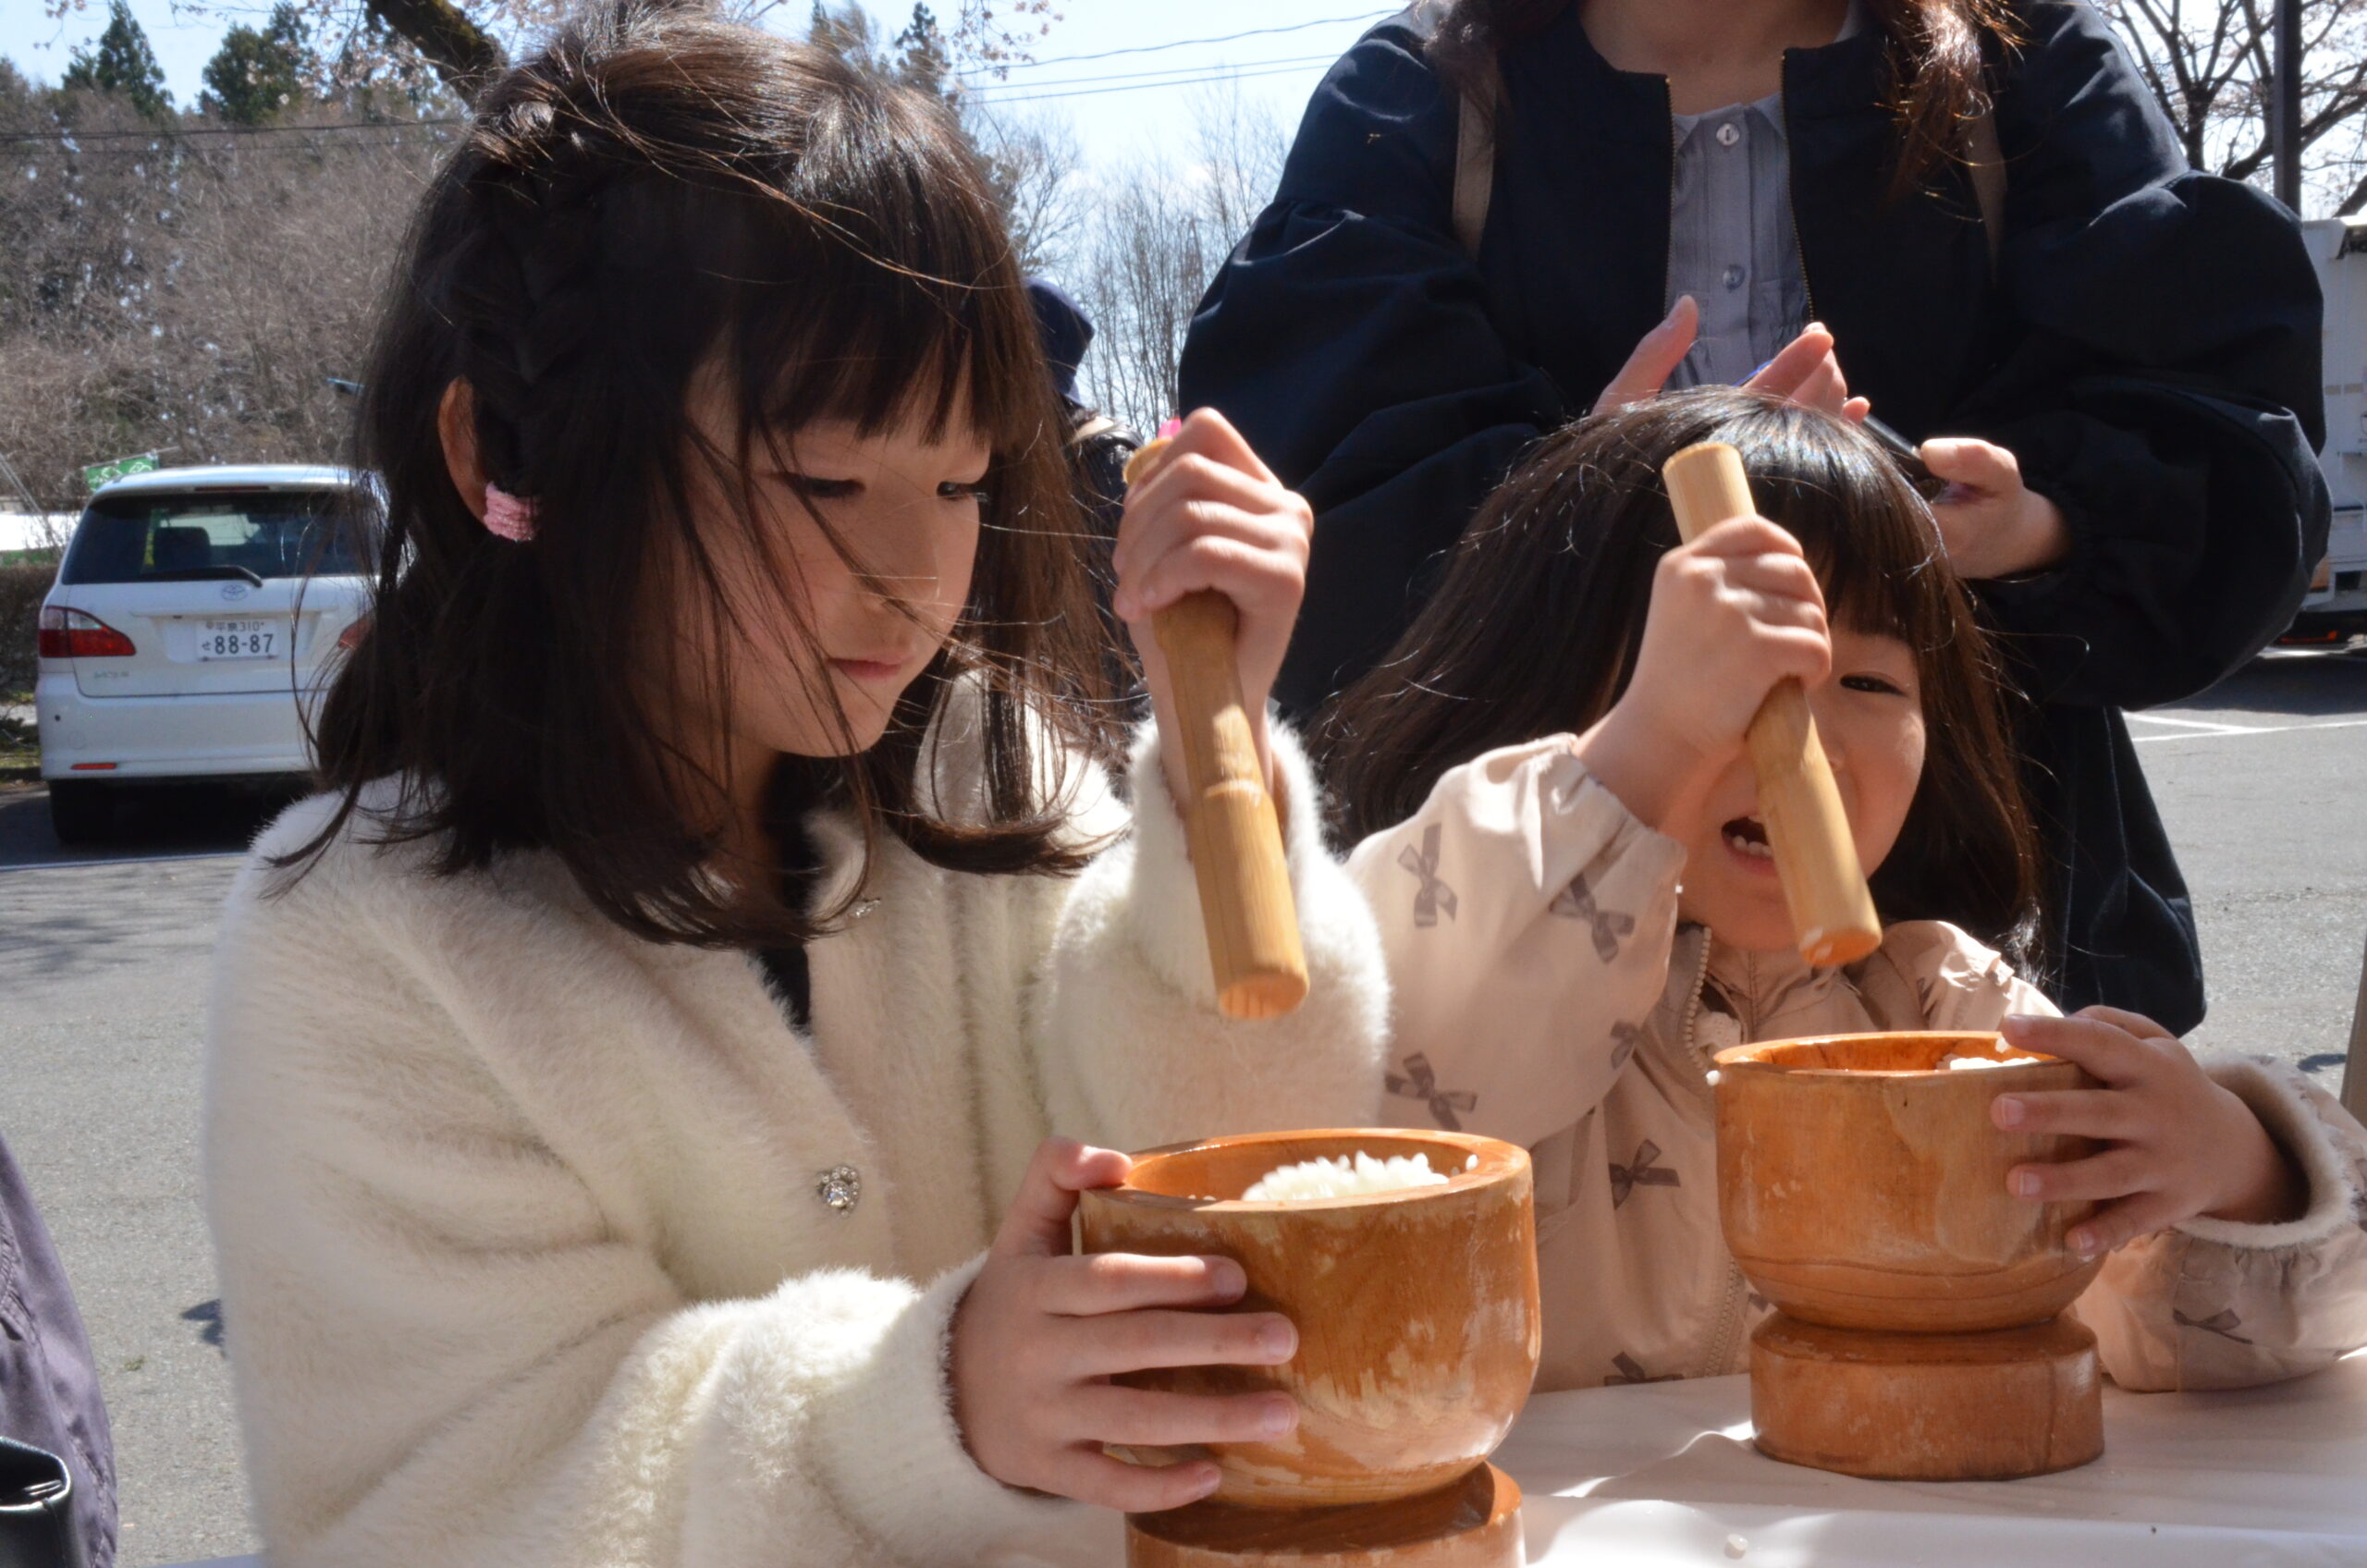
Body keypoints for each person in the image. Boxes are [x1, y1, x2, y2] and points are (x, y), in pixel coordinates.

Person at [202, 9, 1389, 1566]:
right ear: (514, 453)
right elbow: (460, 1496)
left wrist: (1213, 763)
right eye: (824, 483)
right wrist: (930, 1404)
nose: (912, 579)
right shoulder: (359, 950)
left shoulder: (984, 779)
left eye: (963, 481)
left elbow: (1247, 1163)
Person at [1179, 0, 2332, 1035]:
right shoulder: (1421, 89)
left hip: (1973, 960)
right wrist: (1586, 492)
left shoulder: (2020, 63)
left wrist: (2035, 525)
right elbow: (1310, 524)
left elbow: (2235, 451)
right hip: (1535, 989)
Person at [1321, 389, 2367, 1393]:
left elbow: (2179, 1344)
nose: (1808, 742)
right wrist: (1645, 757)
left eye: (1868, 683)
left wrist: (2238, 1171)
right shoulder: (1461, 917)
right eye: (1716, 670)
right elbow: (1392, 1072)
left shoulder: (1939, 1005)